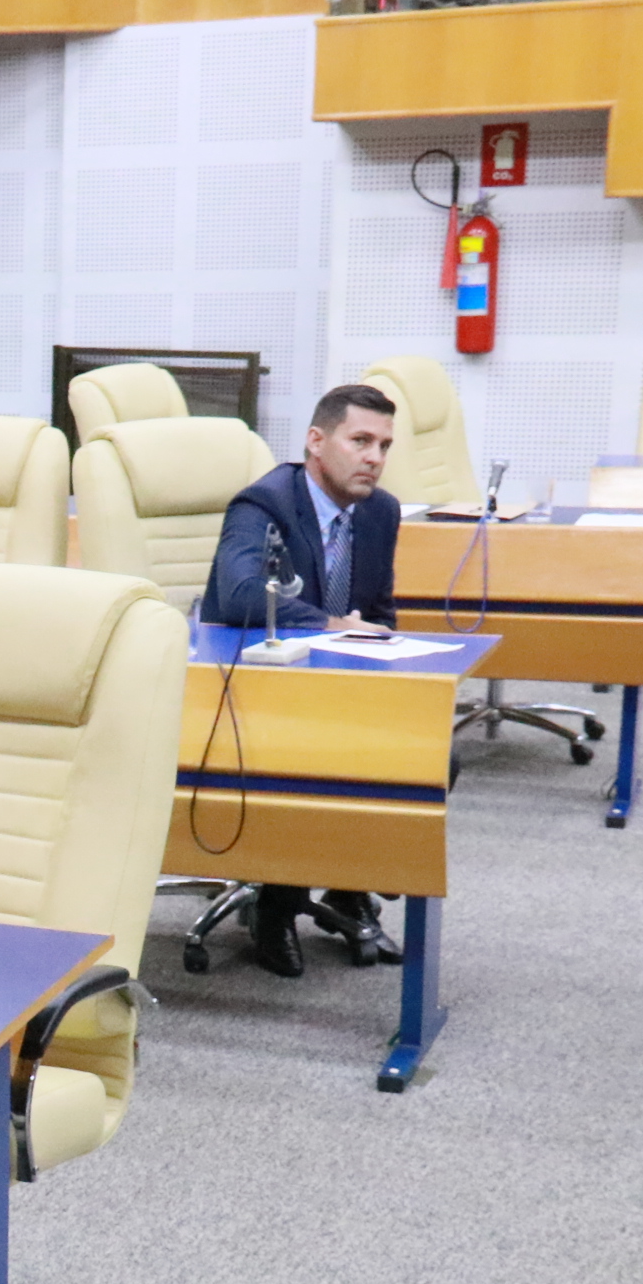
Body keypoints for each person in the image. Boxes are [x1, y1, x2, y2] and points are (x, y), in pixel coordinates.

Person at [203, 383, 408, 975]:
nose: (374, 457)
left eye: (384, 446)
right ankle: (276, 903)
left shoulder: (380, 512)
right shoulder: (263, 504)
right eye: (360, 441)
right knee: (316, 758)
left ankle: (348, 887)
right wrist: (333, 624)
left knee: (422, 756)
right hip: (254, 693)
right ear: (316, 441)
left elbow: (380, 612)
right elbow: (242, 595)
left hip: (335, 689)